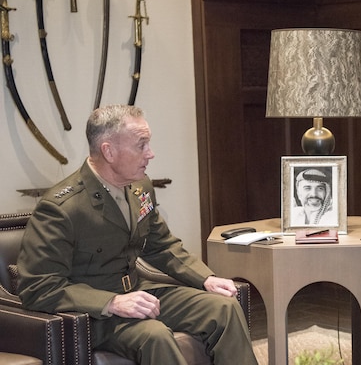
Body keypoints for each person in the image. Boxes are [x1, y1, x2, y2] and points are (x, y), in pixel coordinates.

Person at [17, 105, 258, 365]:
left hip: (139, 291)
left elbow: (162, 245)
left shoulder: (139, 188)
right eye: (141, 145)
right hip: (94, 313)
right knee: (154, 335)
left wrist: (206, 278)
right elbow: (38, 288)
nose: (150, 154)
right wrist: (112, 302)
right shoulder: (61, 208)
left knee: (224, 307)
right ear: (109, 151)